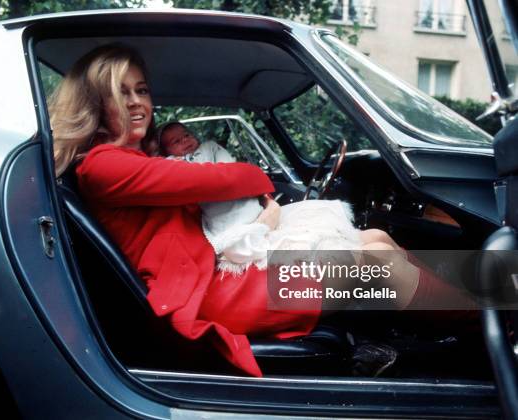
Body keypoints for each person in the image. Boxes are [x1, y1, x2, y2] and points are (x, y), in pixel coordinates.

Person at [49, 45, 454, 377]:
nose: (138, 103)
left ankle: (476, 309)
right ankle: (495, 316)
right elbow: (236, 179)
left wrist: (260, 213)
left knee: (375, 238)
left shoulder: (133, 160)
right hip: (214, 295)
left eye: (142, 90)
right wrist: (263, 211)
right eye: (122, 93)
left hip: (218, 277)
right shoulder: (104, 164)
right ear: (97, 103)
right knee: (375, 260)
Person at [156, 121, 363, 274]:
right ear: (166, 150)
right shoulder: (171, 166)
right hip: (227, 224)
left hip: (247, 206)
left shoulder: (209, 148)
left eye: (186, 135)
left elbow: (231, 174)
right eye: (176, 141)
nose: (185, 141)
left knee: (325, 214)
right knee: (374, 247)